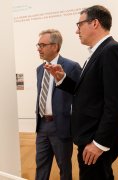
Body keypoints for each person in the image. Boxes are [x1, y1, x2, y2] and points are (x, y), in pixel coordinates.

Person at [45, 5, 118, 180]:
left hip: (95, 139)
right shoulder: (99, 51)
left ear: (95, 23)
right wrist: (61, 78)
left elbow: (116, 104)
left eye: (79, 25)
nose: (77, 31)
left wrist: (99, 144)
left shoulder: (111, 51)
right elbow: (88, 93)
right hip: (89, 136)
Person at [35, 29, 81, 180]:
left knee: (64, 166)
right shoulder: (39, 69)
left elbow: (79, 95)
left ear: (55, 46)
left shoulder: (72, 67)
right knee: (41, 165)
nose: (39, 48)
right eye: (38, 45)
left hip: (60, 125)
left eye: (42, 45)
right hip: (42, 125)